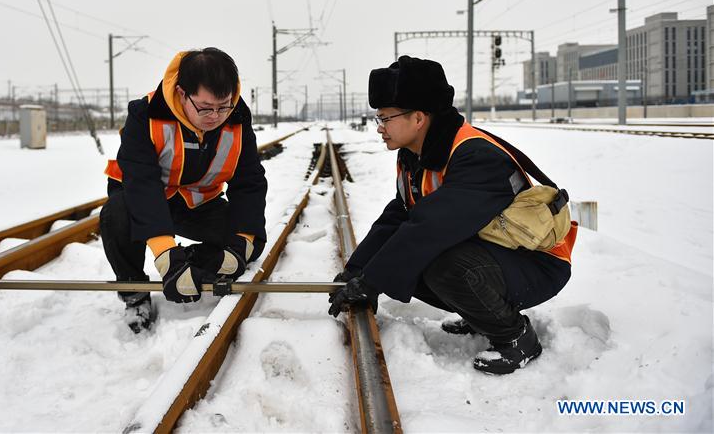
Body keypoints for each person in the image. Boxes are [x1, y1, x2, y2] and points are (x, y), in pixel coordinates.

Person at [327, 56, 576, 375]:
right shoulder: (415, 153)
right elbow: (399, 215)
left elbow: (430, 227)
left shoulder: (474, 155)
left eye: (386, 118)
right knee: (409, 261)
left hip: (538, 263)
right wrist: (356, 272)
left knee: (439, 264)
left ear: (418, 117)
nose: (379, 127)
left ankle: (515, 338)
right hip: (498, 255)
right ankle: (481, 315)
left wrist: (372, 282)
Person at [100, 48, 267, 332]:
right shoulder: (145, 115)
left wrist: (240, 245)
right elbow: (142, 185)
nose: (215, 116)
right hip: (145, 203)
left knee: (250, 241)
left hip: (199, 205)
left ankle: (193, 261)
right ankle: (134, 293)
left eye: (223, 105)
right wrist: (166, 256)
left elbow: (249, 181)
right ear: (181, 93)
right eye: (204, 107)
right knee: (115, 215)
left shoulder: (237, 117)